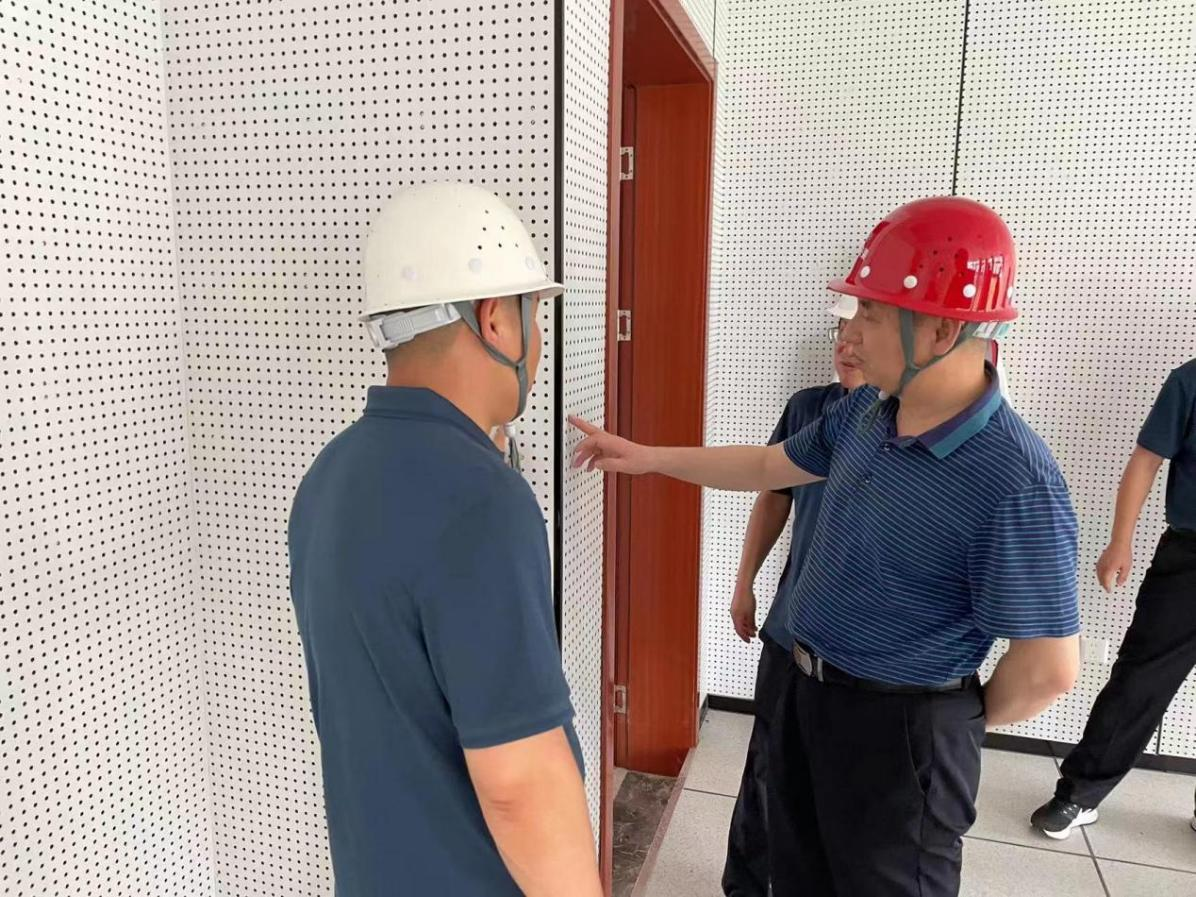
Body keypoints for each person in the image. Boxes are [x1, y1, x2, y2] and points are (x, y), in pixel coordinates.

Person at [571, 197, 1081, 897]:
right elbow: (766, 466)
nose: (852, 332)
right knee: (796, 873)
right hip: (805, 693)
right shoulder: (867, 412)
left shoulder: (1016, 480)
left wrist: (930, 728)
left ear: (939, 330)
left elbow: (1048, 668)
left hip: (901, 731)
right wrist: (649, 457)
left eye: (871, 312)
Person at [288, 183, 601, 897]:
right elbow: (520, 783)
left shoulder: (329, 475)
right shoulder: (481, 501)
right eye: (533, 314)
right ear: (495, 319)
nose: (539, 342)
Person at [722, 320, 865, 896]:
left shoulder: (915, 427)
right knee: (766, 765)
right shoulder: (808, 409)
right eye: (841, 335)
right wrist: (744, 583)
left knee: (840, 784)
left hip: (863, 656)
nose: (847, 348)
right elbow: (771, 494)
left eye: (863, 333)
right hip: (790, 628)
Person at [1031, 357, 1196, 839]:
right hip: (1189, 557)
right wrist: (1120, 541)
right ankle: (1079, 794)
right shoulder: (1189, 380)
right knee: (1140, 678)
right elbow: (1146, 459)